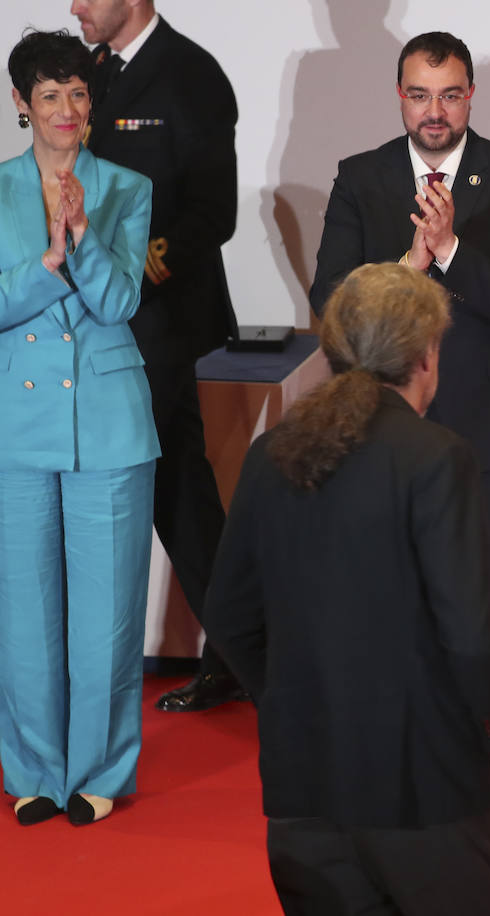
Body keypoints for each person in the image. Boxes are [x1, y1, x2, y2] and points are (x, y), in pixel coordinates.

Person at [200, 263, 490, 915]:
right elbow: (471, 632)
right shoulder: (436, 456)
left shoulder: (272, 453)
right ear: (427, 355)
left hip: (302, 784)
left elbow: (228, 617)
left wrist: (292, 700)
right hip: (425, 788)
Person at [309, 30, 490, 831]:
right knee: (390, 604)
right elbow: (334, 303)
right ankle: (395, 766)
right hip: (381, 430)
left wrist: (449, 247)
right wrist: (409, 265)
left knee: (484, 609)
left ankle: (487, 776)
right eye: (420, 93)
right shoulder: (361, 178)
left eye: (450, 94)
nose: (435, 110)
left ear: (472, 95)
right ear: (399, 96)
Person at [0, 28, 157, 827]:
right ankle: (32, 769)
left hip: (110, 425)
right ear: (21, 104)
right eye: (51, 95)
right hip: (15, 429)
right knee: (22, 610)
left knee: (107, 612)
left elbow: (123, 302)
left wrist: (85, 238)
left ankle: (97, 771)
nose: (67, 109)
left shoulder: (126, 187)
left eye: (80, 93)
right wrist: (45, 263)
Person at [71, 0, 247, 713]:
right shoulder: (87, 74)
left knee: (174, 486)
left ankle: (245, 649)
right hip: (88, 316)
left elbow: (213, 213)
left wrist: (122, 276)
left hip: (157, 317)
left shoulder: (192, 74)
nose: (75, 6)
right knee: (179, 489)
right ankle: (239, 648)